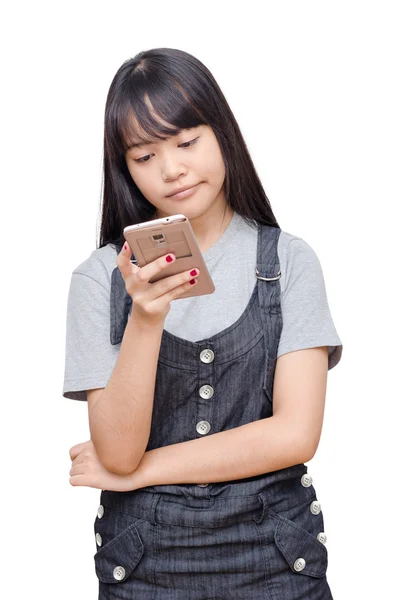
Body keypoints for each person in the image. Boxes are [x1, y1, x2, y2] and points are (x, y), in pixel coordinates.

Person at [63, 47, 343, 599]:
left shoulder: (287, 261)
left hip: (278, 562)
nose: (172, 170)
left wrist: (139, 472)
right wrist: (145, 316)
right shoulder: (99, 278)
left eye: (187, 142)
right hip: (144, 570)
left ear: (223, 134)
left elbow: (295, 434)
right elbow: (116, 450)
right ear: (123, 167)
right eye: (144, 156)